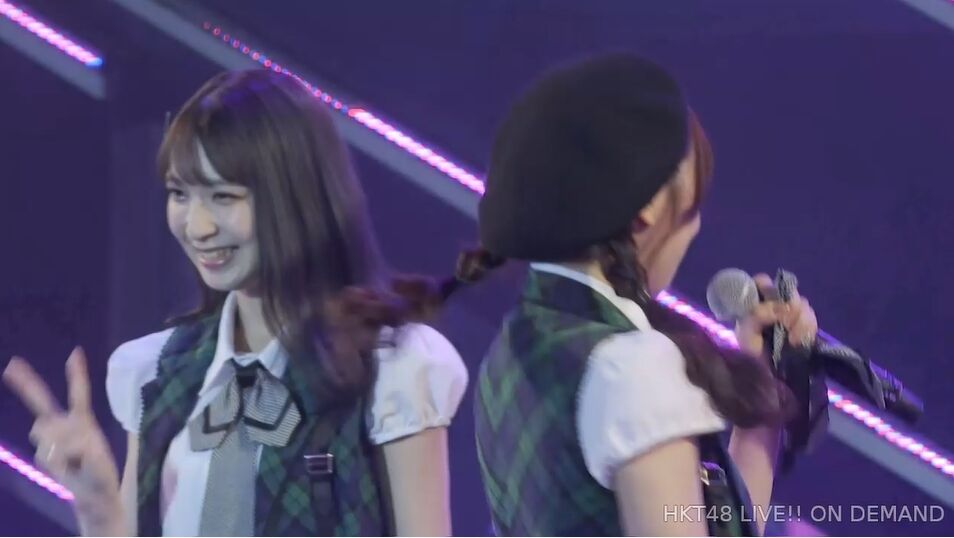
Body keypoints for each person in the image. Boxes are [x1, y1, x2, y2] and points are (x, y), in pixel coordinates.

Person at [3, 69, 467, 536]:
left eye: (223, 196)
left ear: (295, 198)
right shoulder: (158, 373)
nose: (197, 227)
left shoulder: (393, 371)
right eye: (179, 194)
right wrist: (99, 506)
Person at [448, 54, 818, 535]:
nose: (696, 227)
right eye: (692, 209)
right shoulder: (635, 369)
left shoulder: (516, 343)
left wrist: (762, 399)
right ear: (648, 211)